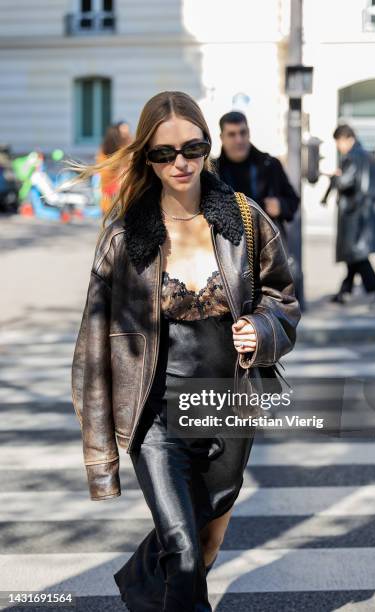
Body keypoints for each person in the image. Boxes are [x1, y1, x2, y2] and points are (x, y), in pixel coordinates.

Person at [71, 91, 300, 612]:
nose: (180, 163)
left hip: (229, 410)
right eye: (163, 153)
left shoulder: (243, 220)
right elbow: (92, 350)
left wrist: (262, 330)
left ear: (207, 147)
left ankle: (141, 588)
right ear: (146, 157)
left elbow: (283, 299)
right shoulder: (125, 236)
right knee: (181, 550)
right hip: (157, 415)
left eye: (192, 149)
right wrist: (101, 458)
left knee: (207, 544)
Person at [211, 111, 300, 243]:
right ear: (222, 137)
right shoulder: (213, 171)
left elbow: (293, 200)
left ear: (249, 133)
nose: (239, 140)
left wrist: (280, 206)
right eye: (232, 134)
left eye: (243, 132)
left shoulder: (270, 164)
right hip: (228, 248)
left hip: (267, 247)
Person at [329, 124, 375, 308]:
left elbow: (345, 181)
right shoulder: (370, 157)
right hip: (367, 213)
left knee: (358, 256)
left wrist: (335, 176)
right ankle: (344, 291)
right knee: (354, 255)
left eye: (339, 142)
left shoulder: (352, 157)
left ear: (347, 139)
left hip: (354, 215)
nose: (338, 146)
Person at [96, 123, 132, 214]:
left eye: (128, 133)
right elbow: (105, 173)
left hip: (126, 200)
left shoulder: (129, 150)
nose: (128, 136)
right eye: (124, 134)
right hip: (112, 199)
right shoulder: (108, 152)